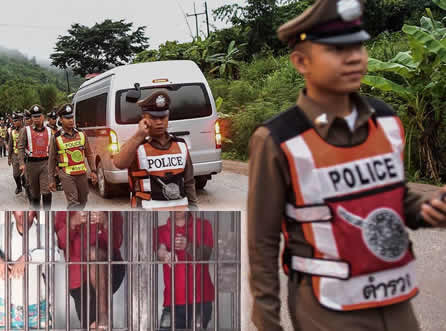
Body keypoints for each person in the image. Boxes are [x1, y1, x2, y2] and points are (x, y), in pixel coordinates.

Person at [247, 1, 446, 331]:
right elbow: (262, 245)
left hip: (397, 302)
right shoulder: (278, 140)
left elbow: (394, 200)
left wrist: (430, 207)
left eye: (358, 46)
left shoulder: (386, 120)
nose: (354, 57)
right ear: (301, 61)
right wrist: (267, 322)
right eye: (337, 50)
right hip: (327, 310)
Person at [113, 90, 198, 210]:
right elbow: (119, 163)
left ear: (168, 117)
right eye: (153, 117)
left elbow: (189, 182)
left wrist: (194, 208)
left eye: (163, 117)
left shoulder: (180, 145)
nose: (159, 122)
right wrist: (139, 135)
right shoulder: (136, 145)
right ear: (144, 118)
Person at [0, 211, 60, 329]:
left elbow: (55, 255)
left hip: (37, 306)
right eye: (19, 208)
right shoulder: (1, 230)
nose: (23, 212)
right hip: (5, 304)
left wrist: (28, 258)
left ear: (35, 212)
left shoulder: (45, 231)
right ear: (12, 211)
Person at [54, 211, 125, 329]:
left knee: (94, 253)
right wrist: (72, 223)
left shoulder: (111, 208)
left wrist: (106, 222)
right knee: (92, 325)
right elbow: (60, 244)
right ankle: (103, 318)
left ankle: (103, 314)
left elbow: (117, 243)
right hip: (79, 279)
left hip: (110, 271)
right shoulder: (64, 210)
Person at [156, 211, 214, 330]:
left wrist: (188, 246)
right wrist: (166, 254)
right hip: (172, 301)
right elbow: (160, 251)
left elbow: (206, 255)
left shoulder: (204, 225)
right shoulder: (160, 231)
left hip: (200, 300)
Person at [48, 104, 97, 210]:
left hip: (81, 173)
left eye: (72, 117)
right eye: (67, 118)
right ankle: (73, 223)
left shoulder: (81, 133)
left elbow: (89, 153)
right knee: (73, 203)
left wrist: (93, 171)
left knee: (83, 200)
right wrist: (51, 179)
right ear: (61, 119)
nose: (71, 120)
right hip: (66, 174)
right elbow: (51, 159)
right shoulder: (56, 137)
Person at [18, 105, 53, 210]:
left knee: (46, 191)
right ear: (31, 118)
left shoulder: (50, 131)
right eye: (34, 116)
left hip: (45, 163)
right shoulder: (25, 130)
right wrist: (21, 163)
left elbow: (53, 149)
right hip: (31, 165)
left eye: (39, 116)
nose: (36, 118)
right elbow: (21, 147)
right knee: (35, 193)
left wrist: (56, 165)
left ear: (43, 117)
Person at [8, 112, 25, 195]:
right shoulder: (12, 132)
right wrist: (9, 158)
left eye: (16, 121)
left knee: (25, 175)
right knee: (15, 175)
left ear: (21, 121)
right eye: (13, 121)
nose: (14, 122)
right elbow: (10, 145)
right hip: (15, 155)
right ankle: (19, 187)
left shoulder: (26, 130)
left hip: (25, 156)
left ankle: (26, 186)